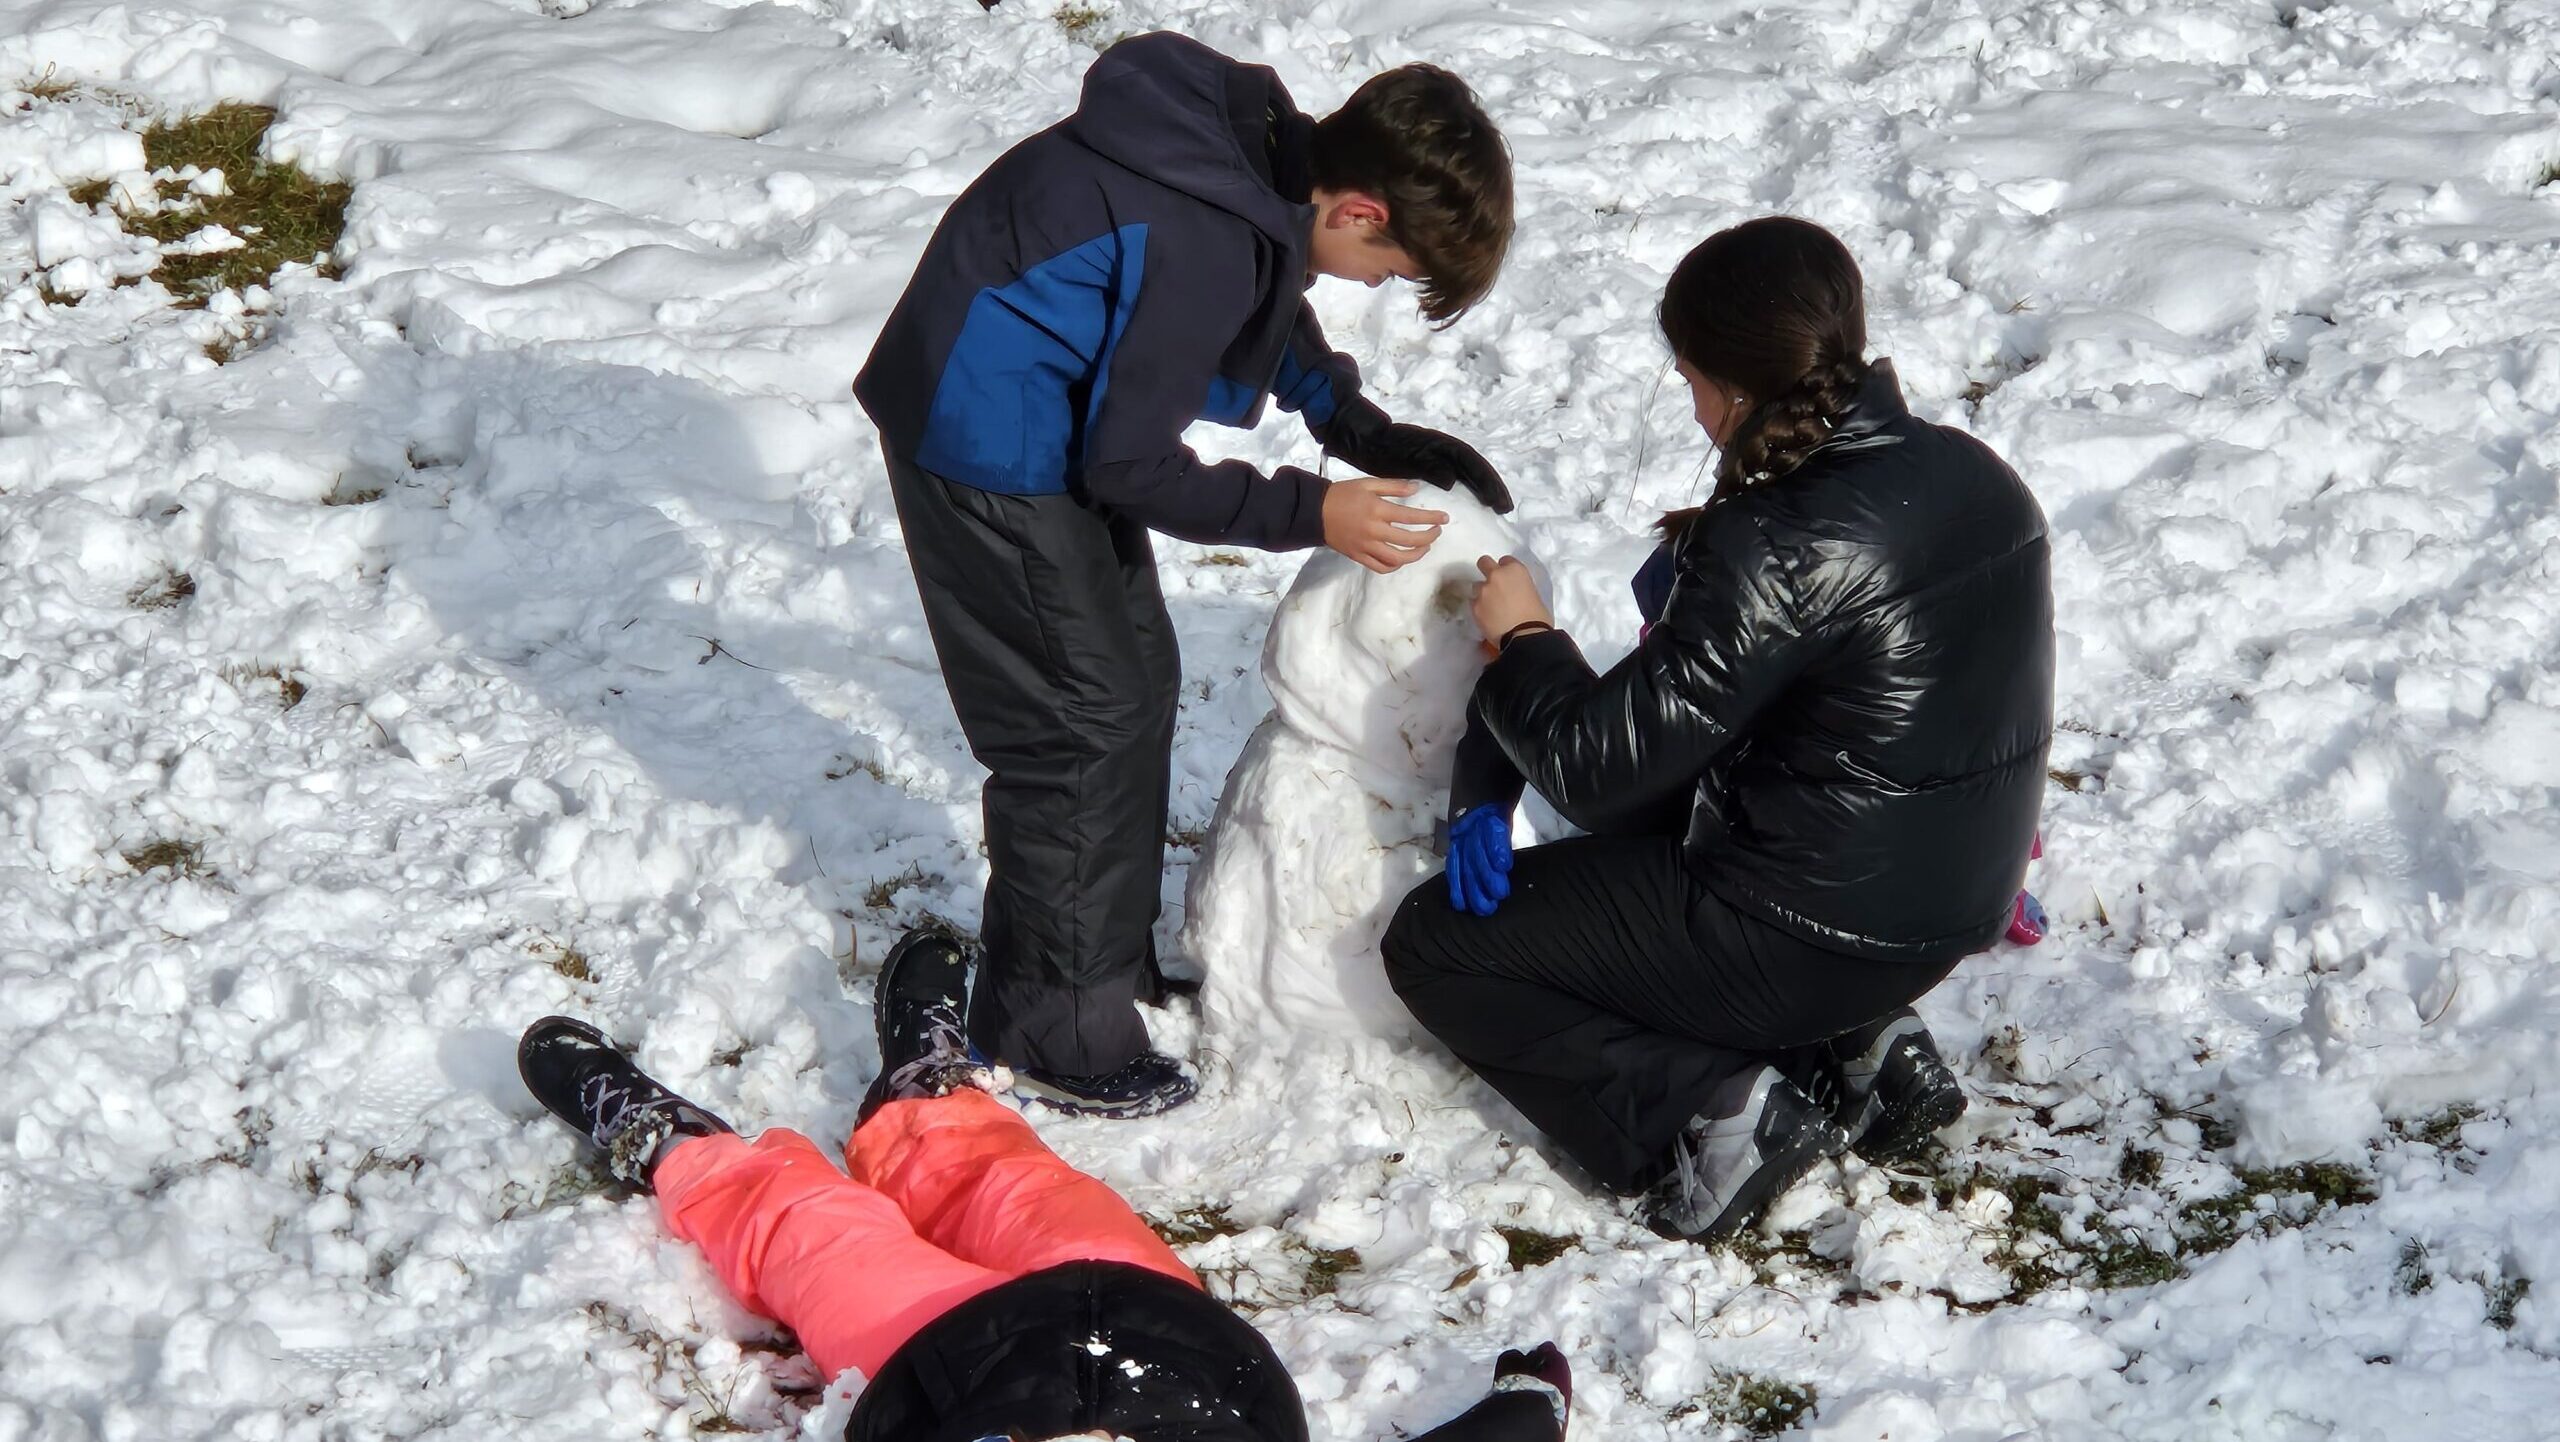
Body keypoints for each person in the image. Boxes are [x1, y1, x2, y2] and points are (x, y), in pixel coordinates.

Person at [853, 32, 1516, 1118]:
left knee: (1133, 680)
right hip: (982, 430)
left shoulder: (1256, 163)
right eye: (1392, 270)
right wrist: (1315, 511)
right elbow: (1130, 464)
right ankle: (1053, 1029)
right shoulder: (1203, 232)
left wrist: (1354, 424)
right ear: (1359, 211)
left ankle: (1095, 964)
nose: (1379, 285)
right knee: (1078, 722)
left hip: (1028, 400)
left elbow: (1262, 295)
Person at [1381, 216, 2054, 1242]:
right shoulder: (1973, 474)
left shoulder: (1773, 541)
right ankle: (1864, 1046)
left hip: (1806, 934)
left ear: (1734, 388)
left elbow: (1595, 771)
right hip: (1945, 906)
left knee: (1436, 944)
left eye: (1690, 378)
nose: (1691, 406)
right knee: (1679, 816)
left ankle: (1708, 1111)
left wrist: (1523, 638)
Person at [516, 927, 1574, 1442]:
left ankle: (671, 1145)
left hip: (943, 1367)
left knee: (812, 1233)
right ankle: (920, 1104)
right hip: (1157, 1337)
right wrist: (1524, 1412)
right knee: (1011, 1183)